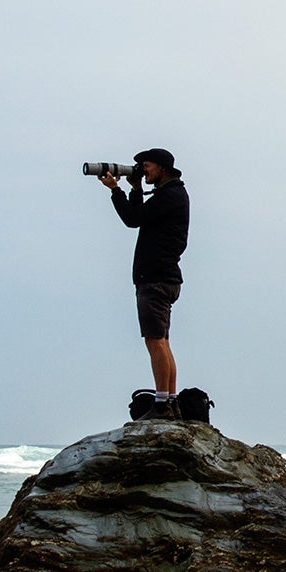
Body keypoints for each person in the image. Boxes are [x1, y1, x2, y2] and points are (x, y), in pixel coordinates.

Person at [99, 148, 189, 412]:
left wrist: (116, 190)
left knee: (155, 340)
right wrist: (136, 189)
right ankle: (169, 400)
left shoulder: (170, 195)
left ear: (162, 167)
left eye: (146, 165)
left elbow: (132, 219)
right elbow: (138, 218)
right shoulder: (170, 194)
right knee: (161, 340)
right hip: (163, 277)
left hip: (157, 278)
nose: (142, 169)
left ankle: (162, 403)